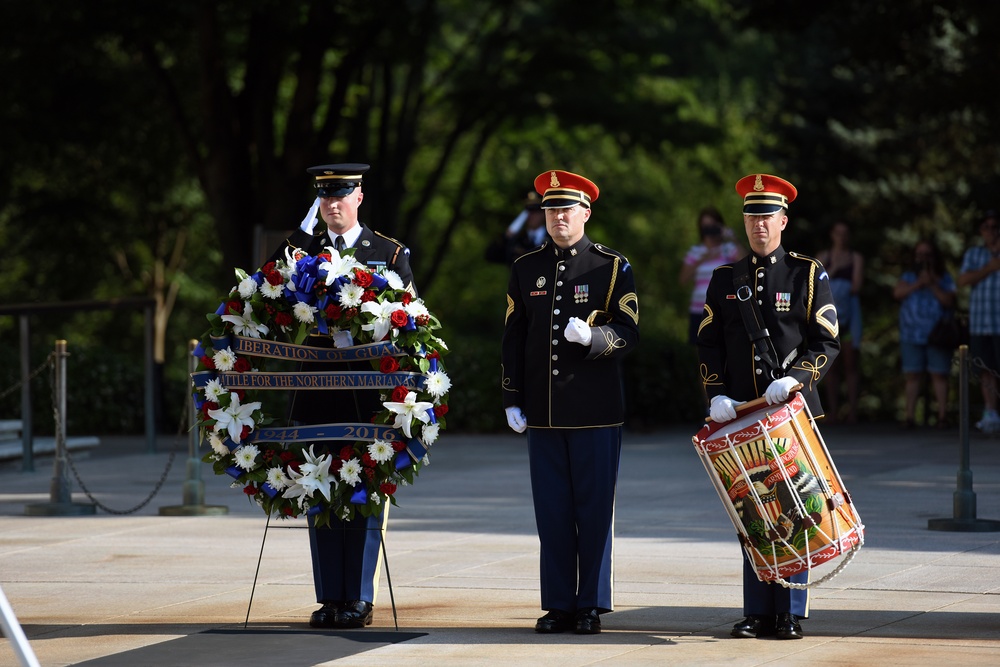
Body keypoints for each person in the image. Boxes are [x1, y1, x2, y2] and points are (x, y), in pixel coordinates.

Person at [268, 163, 415, 629]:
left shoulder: (386, 253)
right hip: (315, 385)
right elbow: (264, 291)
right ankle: (330, 595)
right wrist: (300, 236)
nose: (333, 203)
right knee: (318, 482)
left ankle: (360, 597)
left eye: (341, 194)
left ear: (359, 197)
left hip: (369, 386)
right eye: (325, 196)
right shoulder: (301, 249)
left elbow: (412, 320)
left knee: (363, 487)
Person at [697, 173, 840, 640]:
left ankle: (790, 611)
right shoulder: (724, 279)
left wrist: (796, 380)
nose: (758, 225)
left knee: (795, 506)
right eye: (751, 216)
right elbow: (709, 344)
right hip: (741, 412)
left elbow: (826, 341)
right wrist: (715, 393)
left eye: (767, 217)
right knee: (752, 510)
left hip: (791, 412)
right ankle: (758, 609)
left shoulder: (805, 272)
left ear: (783, 220)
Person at [501, 169, 639, 635]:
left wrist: (594, 337)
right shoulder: (525, 268)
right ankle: (559, 603)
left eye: (567, 208)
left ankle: (591, 604)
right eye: (551, 209)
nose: (558, 217)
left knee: (595, 511)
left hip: (595, 411)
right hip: (542, 411)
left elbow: (629, 332)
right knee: (553, 511)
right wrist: (511, 397)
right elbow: (513, 338)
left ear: (586, 212)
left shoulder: (611, 266)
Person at [893, 240, 956, 428]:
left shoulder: (944, 278)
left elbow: (949, 300)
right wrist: (919, 283)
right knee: (912, 374)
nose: (923, 259)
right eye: (919, 254)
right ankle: (910, 416)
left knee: (939, 374)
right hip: (911, 333)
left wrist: (933, 284)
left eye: (927, 254)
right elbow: (897, 293)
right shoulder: (909, 277)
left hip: (937, 335)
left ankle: (942, 416)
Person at [816, 221, 864, 423]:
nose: (842, 237)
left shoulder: (856, 258)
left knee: (851, 363)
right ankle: (833, 411)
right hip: (828, 317)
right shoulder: (823, 257)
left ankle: (852, 410)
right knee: (830, 365)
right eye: (838, 233)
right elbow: (816, 285)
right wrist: (834, 269)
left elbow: (856, 286)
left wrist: (833, 277)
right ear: (832, 234)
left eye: (845, 233)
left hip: (849, 317)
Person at [958, 210, 1000, 433]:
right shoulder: (975, 254)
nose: (991, 231)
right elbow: (963, 279)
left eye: (995, 227)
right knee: (986, 369)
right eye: (987, 227)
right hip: (982, 321)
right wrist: (988, 269)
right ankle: (990, 412)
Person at [680, 206, 745, 345]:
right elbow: (683, 279)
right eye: (705, 226)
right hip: (699, 309)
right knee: (702, 352)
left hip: (723, 310)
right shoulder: (696, 251)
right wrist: (705, 258)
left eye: (712, 226)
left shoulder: (729, 249)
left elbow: (746, 264)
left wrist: (732, 238)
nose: (709, 230)